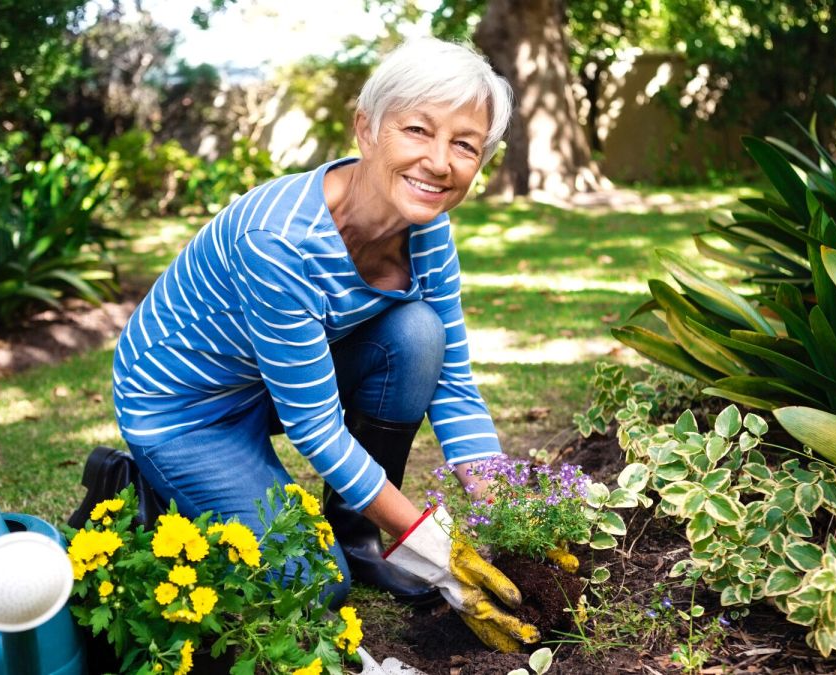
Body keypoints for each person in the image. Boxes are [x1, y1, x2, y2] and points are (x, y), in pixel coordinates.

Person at [106, 37, 538, 652]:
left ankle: (360, 536)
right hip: (184, 409)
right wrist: (429, 541)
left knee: (417, 334)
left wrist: (514, 518)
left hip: (270, 378)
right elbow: (315, 426)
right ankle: (143, 482)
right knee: (312, 580)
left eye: (464, 144)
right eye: (418, 130)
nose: (440, 162)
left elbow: (452, 383)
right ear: (367, 129)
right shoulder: (280, 241)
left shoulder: (426, 226)